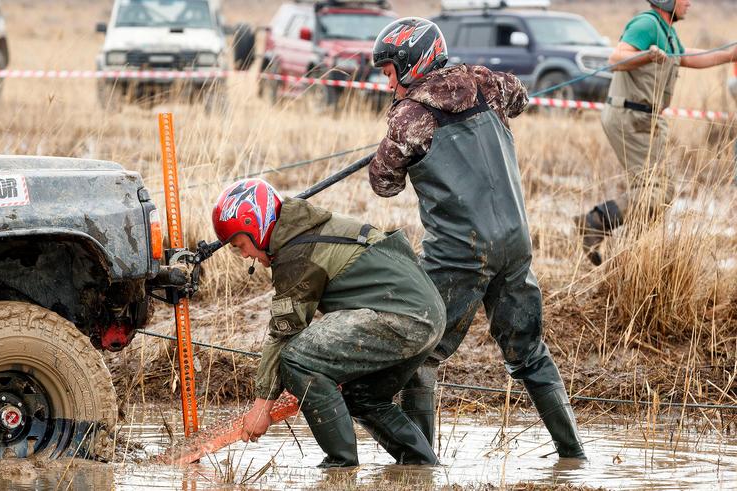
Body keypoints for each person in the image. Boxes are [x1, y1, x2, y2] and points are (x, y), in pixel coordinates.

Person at [367, 17, 586, 459]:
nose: (389, 84)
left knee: (421, 356)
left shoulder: (410, 116)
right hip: (515, 241)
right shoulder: (487, 83)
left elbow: (384, 184)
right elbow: (519, 95)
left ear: (412, 63)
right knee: (530, 355)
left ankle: (419, 467)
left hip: (459, 255)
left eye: (390, 73)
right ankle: (574, 455)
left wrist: (390, 145)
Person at [212, 178, 446, 467]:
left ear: (255, 225)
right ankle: (421, 466)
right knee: (363, 396)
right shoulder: (307, 228)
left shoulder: (296, 251)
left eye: (241, 245)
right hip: (428, 315)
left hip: (400, 316)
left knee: (297, 359)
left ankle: (340, 466)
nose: (244, 254)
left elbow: (284, 332)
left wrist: (262, 405)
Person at [576, 0, 737, 265]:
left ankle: (632, 256)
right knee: (655, 192)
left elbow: (688, 57)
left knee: (661, 190)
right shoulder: (647, 24)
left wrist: (730, 54)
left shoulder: (667, 31)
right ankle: (595, 222)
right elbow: (616, 59)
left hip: (646, 119)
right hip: (631, 116)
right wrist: (646, 55)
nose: (690, 3)